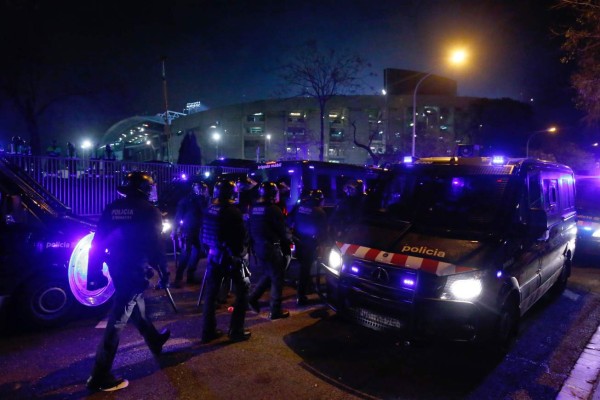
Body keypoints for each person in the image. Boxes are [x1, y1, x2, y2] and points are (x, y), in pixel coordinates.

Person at [85, 171, 171, 392]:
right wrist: (164, 272)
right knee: (117, 320)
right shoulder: (150, 211)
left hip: (116, 266)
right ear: (145, 189)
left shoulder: (113, 208)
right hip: (135, 268)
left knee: (136, 305)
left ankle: (154, 340)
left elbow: (97, 242)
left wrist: (93, 272)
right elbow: (156, 246)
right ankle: (100, 375)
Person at [200, 179, 251, 343]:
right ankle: (236, 331)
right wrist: (240, 254)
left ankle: (208, 331)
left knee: (211, 293)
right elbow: (239, 237)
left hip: (213, 255)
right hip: (230, 257)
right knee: (243, 291)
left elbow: (204, 232)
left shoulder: (210, 208)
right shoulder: (232, 211)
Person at [247, 181, 292, 319]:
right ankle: (275, 310)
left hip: (258, 247)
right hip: (271, 247)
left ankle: (252, 298)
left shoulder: (254, 208)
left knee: (269, 273)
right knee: (278, 278)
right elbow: (282, 231)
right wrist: (288, 244)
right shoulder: (273, 209)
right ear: (272, 194)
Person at [287, 189, 329, 306]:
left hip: (298, 240)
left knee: (304, 267)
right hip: (310, 243)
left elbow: (289, 221)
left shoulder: (299, 207)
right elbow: (323, 231)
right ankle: (301, 296)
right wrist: (324, 244)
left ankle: (308, 287)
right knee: (306, 268)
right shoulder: (320, 212)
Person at [172, 180, 210, 288]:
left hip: (198, 230)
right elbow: (178, 216)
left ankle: (190, 276)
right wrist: (175, 229)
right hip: (187, 230)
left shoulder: (203, 200)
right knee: (186, 253)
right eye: (201, 189)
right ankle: (178, 278)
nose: (203, 191)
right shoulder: (187, 200)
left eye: (203, 189)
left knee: (197, 252)